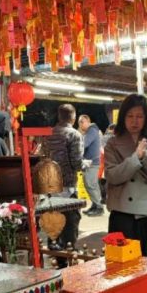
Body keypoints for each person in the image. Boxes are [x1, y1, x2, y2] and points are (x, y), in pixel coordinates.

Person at [103, 94, 147, 259]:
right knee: (124, 265)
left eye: (140, 116)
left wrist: (146, 157)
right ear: (123, 117)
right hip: (123, 215)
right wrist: (135, 158)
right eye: (130, 116)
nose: (135, 121)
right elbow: (112, 176)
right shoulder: (112, 144)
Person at [45, 104, 84, 266]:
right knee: (70, 224)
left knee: (53, 222)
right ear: (73, 118)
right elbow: (77, 163)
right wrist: (86, 164)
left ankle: (56, 260)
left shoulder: (48, 134)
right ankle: (68, 259)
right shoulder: (74, 134)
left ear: (59, 116)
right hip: (68, 187)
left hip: (49, 186)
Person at [78, 114, 104, 217]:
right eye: (79, 122)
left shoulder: (92, 130)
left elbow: (84, 144)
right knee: (91, 185)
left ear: (88, 122)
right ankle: (95, 205)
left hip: (92, 163)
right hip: (91, 162)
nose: (80, 124)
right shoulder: (91, 131)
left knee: (91, 185)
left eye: (82, 122)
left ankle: (99, 207)